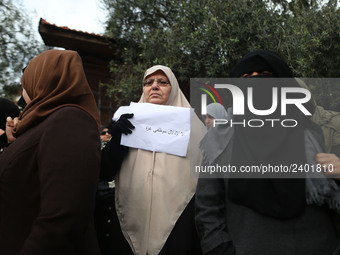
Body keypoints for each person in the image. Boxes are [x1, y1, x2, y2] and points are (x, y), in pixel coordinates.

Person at [195, 50, 340, 255]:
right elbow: (207, 209)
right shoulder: (221, 140)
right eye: (246, 78)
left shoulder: (323, 132)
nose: (257, 83)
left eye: (265, 74)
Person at [0, 49, 102, 255]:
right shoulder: (43, 125)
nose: (22, 95)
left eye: (25, 84)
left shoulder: (69, 119)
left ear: (42, 80)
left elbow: (63, 220)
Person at [101, 65, 206, 255]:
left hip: (179, 224)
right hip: (130, 220)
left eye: (162, 82)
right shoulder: (127, 123)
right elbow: (104, 171)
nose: (154, 86)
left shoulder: (196, 128)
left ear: (173, 87)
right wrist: (117, 140)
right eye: (148, 82)